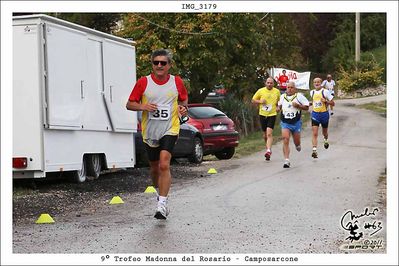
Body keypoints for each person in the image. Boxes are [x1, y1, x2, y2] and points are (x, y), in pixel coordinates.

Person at [126, 49, 188, 219]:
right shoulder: (143, 82)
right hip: (150, 130)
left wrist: (183, 108)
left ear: (169, 65)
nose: (159, 66)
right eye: (156, 63)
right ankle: (159, 193)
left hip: (170, 128)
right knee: (154, 168)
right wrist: (143, 107)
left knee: (164, 164)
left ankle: (162, 204)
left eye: (163, 63)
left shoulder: (177, 82)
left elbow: (183, 100)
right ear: (152, 64)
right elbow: (129, 104)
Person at [276, 81, 309, 168]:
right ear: (286, 88)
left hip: (296, 122)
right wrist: (278, 108)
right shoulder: (282, 96)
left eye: (291, 87)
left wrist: (298, 106)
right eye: (288, 87)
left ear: (295, 89)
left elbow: (307, 107)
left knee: (296, 141)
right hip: (285, 122)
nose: (289, 89)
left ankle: (297, 145)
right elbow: (279, 105)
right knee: (285, 139)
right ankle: (286, 160)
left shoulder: (299, 96)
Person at [251, 77, 281, 161]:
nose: (269, 84)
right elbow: (253, 100)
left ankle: (268, 151)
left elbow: (279, 102)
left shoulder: (277, 91)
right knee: (265, 135)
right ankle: (268, 148)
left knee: (269, 134)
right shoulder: (260, 91)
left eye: (271, 83)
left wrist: (278, 107)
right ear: (265, 83)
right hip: (262, 114)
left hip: (272, 114)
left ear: (273, 84)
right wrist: (260, 102)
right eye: (268, 83)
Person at [310, 77, 335, 159]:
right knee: (315, 133)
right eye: (315, 82)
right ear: (313, 84)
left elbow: (333, 103)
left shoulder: (325, 91)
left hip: (324, 114)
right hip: (315, 114)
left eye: (318, 82)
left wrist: (326, 101)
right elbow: (314, 102)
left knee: (325, 132)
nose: (316, 83)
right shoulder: (312, 92)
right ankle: (314, 150)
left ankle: (325, 139)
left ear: (321, 83)